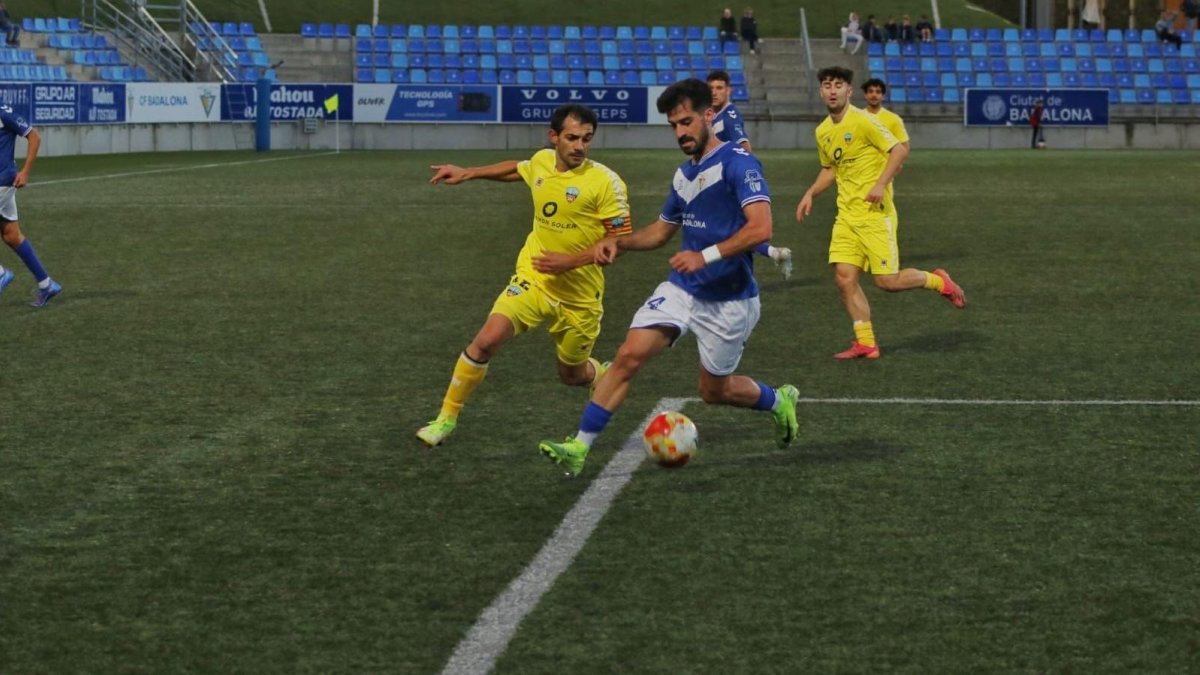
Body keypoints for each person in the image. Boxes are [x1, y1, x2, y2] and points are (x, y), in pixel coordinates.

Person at [538, 78, 800, 476]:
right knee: (628, 355)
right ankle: (579, 446)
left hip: (730, 300)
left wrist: (705, 255)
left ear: (709, 116)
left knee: (714, 391)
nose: (680, 132)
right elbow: (661, 232)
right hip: (681, 289)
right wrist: (619, 243)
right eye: (673, 125)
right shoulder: (683, 175)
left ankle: (777, 400)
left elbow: (761, 229)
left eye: (686, 121)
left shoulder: (739, 164)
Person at [416, 104, 632, 447]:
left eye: (587, 139)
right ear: (554, 137)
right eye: (572, 138)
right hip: (534, 277)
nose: (579, 146)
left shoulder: (606, 183)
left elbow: (619, 241)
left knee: (572, 375)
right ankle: (446, 419)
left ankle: (599, 372)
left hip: (579, 297)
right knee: (486, 340)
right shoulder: (543, 161)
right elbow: (519, 169)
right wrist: (468, 172)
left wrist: (572, 261)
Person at [795, 67, 965, 360]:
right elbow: (830, 169)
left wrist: (880, 184)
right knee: (844, 278)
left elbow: (899, 150)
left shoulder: (864, 121)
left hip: (875, 213)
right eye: (826, 85)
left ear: (849, 91)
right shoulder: (823, 131)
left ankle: (939, 281)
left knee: (887, 282)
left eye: (838, 85)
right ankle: (867, 343)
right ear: (821, 91)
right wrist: (811, 193)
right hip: (846, 217)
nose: (832, 90)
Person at [706, 69, 792, 279]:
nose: (714, 92)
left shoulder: (730, 115)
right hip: (721, 181)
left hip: (732, 182)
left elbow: (744, 146)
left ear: (728, 90)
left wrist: (741, 178)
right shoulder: (715, 115)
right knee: (732, 229)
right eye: (711, 88)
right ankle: (774, 253)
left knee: (727, 229)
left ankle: (743, 276)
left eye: (719, 88)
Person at [0, 104, 60, 307]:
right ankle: (47, 284)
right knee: (11, 235)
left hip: (2, 183)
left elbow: (34, 137)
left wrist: (25, 172)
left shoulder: (4, 113)